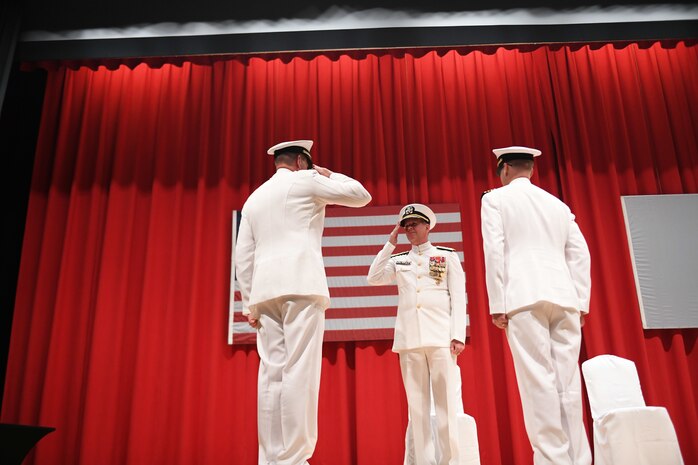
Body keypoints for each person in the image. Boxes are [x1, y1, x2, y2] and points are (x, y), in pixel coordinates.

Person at [234, 139, 371, 465]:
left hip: (265, 293)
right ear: (301, 162)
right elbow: (361, 195)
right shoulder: (307, 180)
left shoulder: (254, 198)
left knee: (271, 375)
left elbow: (243, 256)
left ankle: (269, 458)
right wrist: (329, 173)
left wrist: (247, 303)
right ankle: (293, 459)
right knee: (300, 372)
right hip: (301, 285)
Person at [480, 146, 592, 465]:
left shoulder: (495, 199)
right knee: (567, 384)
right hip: (565, 298)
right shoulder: (557, 204)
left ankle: (552, 460)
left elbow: (494, 250)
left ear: (503, 169)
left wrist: (497, 302)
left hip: (523, 294)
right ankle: (578, 459)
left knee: (537, 381)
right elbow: (580, 253)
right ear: (532, 170)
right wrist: (580, 300)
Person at [367, 204, 467, 465]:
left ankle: (451, 461)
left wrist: (457, 335)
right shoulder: (399, 259)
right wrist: (389, 244)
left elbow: (458, 296)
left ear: (427, 226)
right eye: (406, 225)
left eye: (414, 224)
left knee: (446, 406)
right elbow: (373, 277)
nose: (409, 229)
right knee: (418, 409)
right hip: (410, 340)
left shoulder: (446, 256)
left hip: (441, 339)